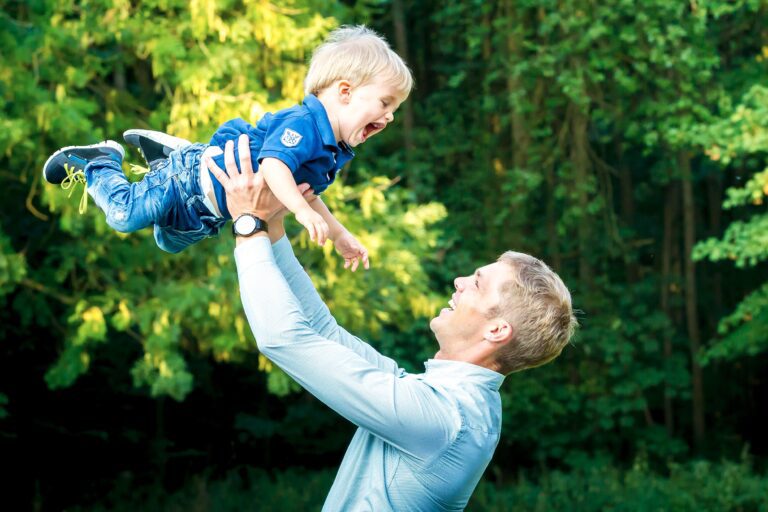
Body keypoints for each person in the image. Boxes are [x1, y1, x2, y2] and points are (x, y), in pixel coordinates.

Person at [211, 135, 578, 510]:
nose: (460, 282)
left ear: (497, 330)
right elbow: (321, 332)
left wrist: (247, 223)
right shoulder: (445, 402)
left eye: (477, 284)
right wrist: (271, 226)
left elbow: (284, 339)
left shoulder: (444, 422)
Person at [41, 25, 412, 269]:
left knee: (167, 240)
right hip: (191, 182)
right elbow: (273, 168)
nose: (390, 117)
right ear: (345, 92)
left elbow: (307, 194)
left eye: (395, 110)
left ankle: (169, 157)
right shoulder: (304, 124)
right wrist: (300, 212)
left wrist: (339, 234)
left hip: (210, 210)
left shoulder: (332, 151)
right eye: (385, 104)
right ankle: (102, 162)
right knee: (125, 216)